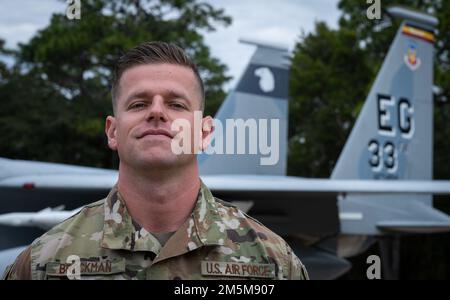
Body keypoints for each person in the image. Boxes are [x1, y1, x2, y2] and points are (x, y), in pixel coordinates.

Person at [3, 42, 309, 280]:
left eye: (176, 104)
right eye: (139, 103)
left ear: (205, 133)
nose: (157, 112)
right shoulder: (44, 261)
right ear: (112, 131)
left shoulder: (272, 262)